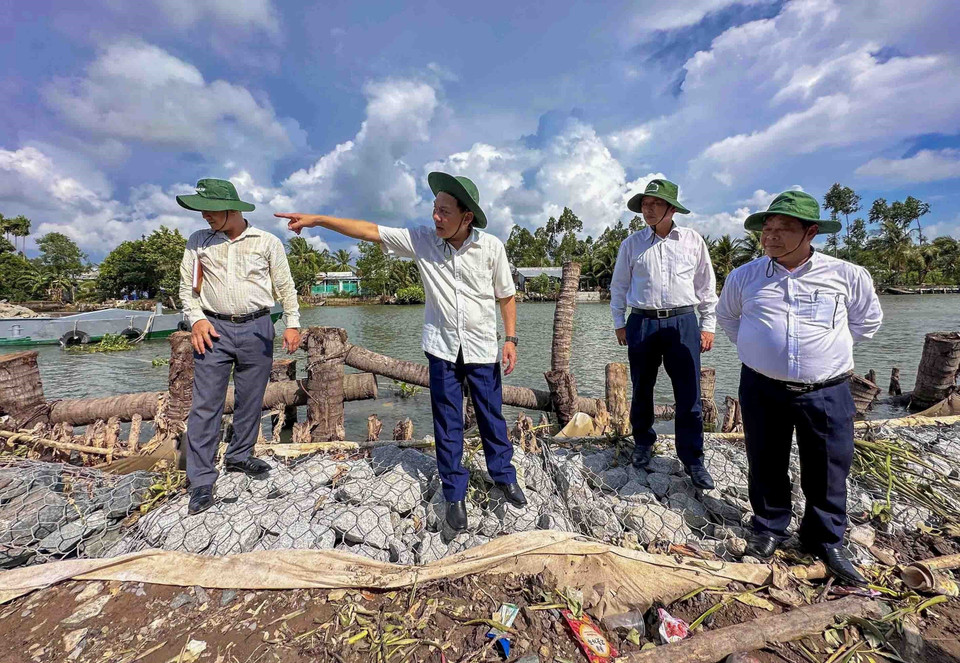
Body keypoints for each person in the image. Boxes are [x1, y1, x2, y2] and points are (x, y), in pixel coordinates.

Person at [276, 172, 525, 531]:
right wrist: (318, 219)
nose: (435, 217)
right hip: (441, 348)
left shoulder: (492, 248)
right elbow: (368, 230)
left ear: (467, 216)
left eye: (444, 211)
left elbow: (506, 295)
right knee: (447, 420)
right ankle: (454, 490)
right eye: (434, 209)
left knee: (491, 415)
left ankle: (504, 475)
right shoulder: (421, 241)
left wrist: (511, 339)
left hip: (482, 347)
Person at [716, 191, 883, 586]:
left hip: (827, 388)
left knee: (828, 464)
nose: (770, 237)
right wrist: (763, 352)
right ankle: (770, 527)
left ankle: (824, 538)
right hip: (762, 386)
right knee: (765, 457)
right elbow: (728, 319)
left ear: (810, 232)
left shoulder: (847, 275)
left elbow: (866, 323)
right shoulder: (745, 276)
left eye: (782, 229)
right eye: (766, 229)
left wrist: (822, 354)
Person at [176, 178, 301, 515]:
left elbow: (285, 286)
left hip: (258, 327)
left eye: (210, 209)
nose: (204, 215)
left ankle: (239, 456)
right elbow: (187, 290)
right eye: (201, 209)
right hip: (213, 328)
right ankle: (201, 479)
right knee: (206, 404)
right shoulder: (198, 242)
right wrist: (196, 319)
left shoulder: (267, 242)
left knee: (251, 397)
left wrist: (292, 323)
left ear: (232, 209)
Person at [610, 179, 718, 489]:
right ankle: (643, 443)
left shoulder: (692, 240)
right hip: (641, 321)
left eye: (656, 204)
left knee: (689, 393)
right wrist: (619, 321)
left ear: (672, 209)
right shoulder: (631, 244)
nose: (648, 209)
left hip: (683, 322)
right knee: (642, 387)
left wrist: (707, 324)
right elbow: (618, 286)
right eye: (645, 204)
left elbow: (705, 285)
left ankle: (693, 458)